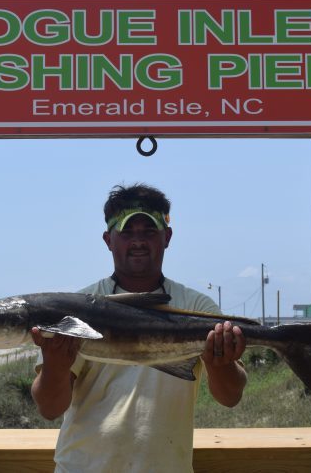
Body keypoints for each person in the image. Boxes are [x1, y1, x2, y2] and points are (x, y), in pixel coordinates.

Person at [31, 183, 247, 473]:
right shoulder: (76, 311)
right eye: (127, 232)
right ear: (108, 240)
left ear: (167, 237)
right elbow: (50, 408)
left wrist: (220, 361)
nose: (138, 241)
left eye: (149, 231)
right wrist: (55, 366)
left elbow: (230, 396)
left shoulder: (198, 308)